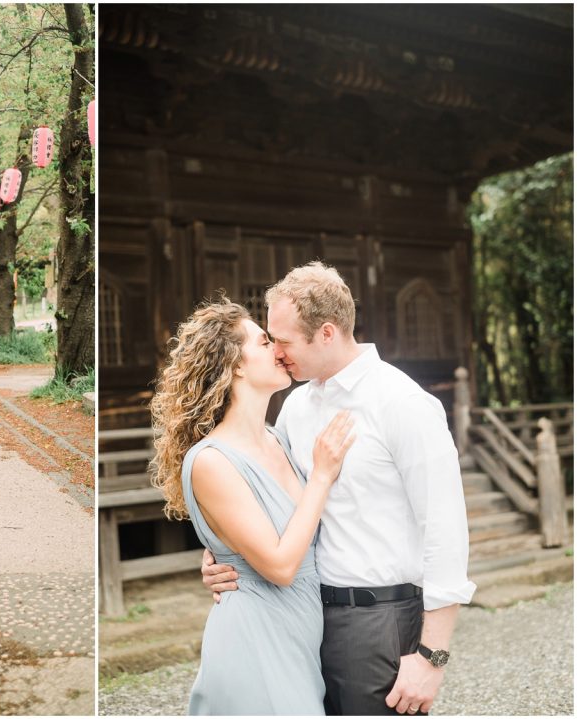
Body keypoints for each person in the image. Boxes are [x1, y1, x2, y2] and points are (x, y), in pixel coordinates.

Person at [202, 262, 476, 716]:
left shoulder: (404, 404)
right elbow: (269, 502)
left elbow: (446, 532)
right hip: (303, 616)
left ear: (326, 333)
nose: (277, 353)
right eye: (269, 339)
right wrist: (222, 555)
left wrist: (432, 657)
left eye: (284, 341)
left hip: (379, 621)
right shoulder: (295, 408)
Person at [150, 298, 355, 715]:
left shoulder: (278, 439)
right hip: (253, 642)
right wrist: (321, 476)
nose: (278, 350)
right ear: (235, 364)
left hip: (301, 642)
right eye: (264, 342)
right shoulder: (210, 461)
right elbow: (279, 567)